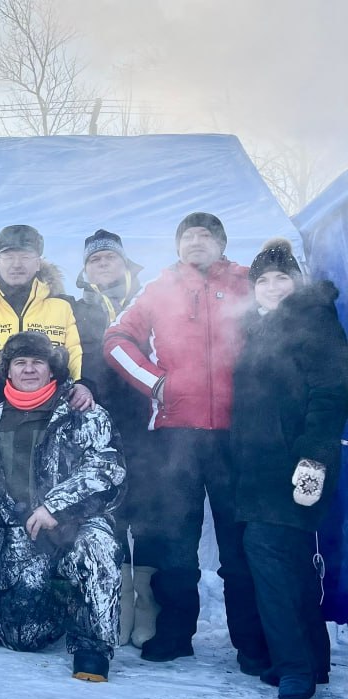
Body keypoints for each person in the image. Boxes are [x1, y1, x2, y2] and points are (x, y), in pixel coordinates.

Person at [104, 212, 259, 666]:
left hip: (236, 436)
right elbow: (116, 340)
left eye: (206, 235)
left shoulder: (248, 281)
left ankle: (250, 643)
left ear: (222, 243)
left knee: (238, 546)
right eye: (188, 236)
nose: (197, 242)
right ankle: (174, 635)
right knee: (176, 545)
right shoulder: (161, 287)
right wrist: (156, 383)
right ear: (177, 246)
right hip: (175, 437)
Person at [0, 331, 125, 682]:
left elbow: (107, 469)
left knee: (97, 546)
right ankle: (60, 600)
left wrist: (54, 509)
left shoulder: (82, 413)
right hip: (16, 531)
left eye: (37, 362)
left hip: (72, 525)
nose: (29, 369)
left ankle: (92, 647)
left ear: (51, 368)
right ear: (8, 371)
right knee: (24, 639)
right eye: (20, 362)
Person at [0, 224, 91, 646]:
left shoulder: (61, 305)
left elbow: (77, 349)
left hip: (47, 416)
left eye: (25, 255)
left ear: (38, 262)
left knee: (39, 512)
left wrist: (84, 385)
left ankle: (45, 609)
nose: (17, 262)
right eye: (9, 255)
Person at [230, 239, 348, 699]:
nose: (273, 286)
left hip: (295, 463)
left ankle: (295, 668)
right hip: (258, 466)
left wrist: (313, 459)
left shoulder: (312, 319)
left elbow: (332, 393)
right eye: (263, 280)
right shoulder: (258, 327)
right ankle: (310, 660)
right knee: (291, 562)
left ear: (296, 282)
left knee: (270, 556)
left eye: (282, 277)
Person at [72, 229, 155, 648]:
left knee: (152, 518)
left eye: (109, 258)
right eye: (95, 261)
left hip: (152, 426)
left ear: (125, 263)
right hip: (101, 429)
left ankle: (147, 610)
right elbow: (69, 357)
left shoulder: (150, 300)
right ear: (85, 270)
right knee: (110, 517)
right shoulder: (76, 308)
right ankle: (117, 605)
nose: (103, 266)